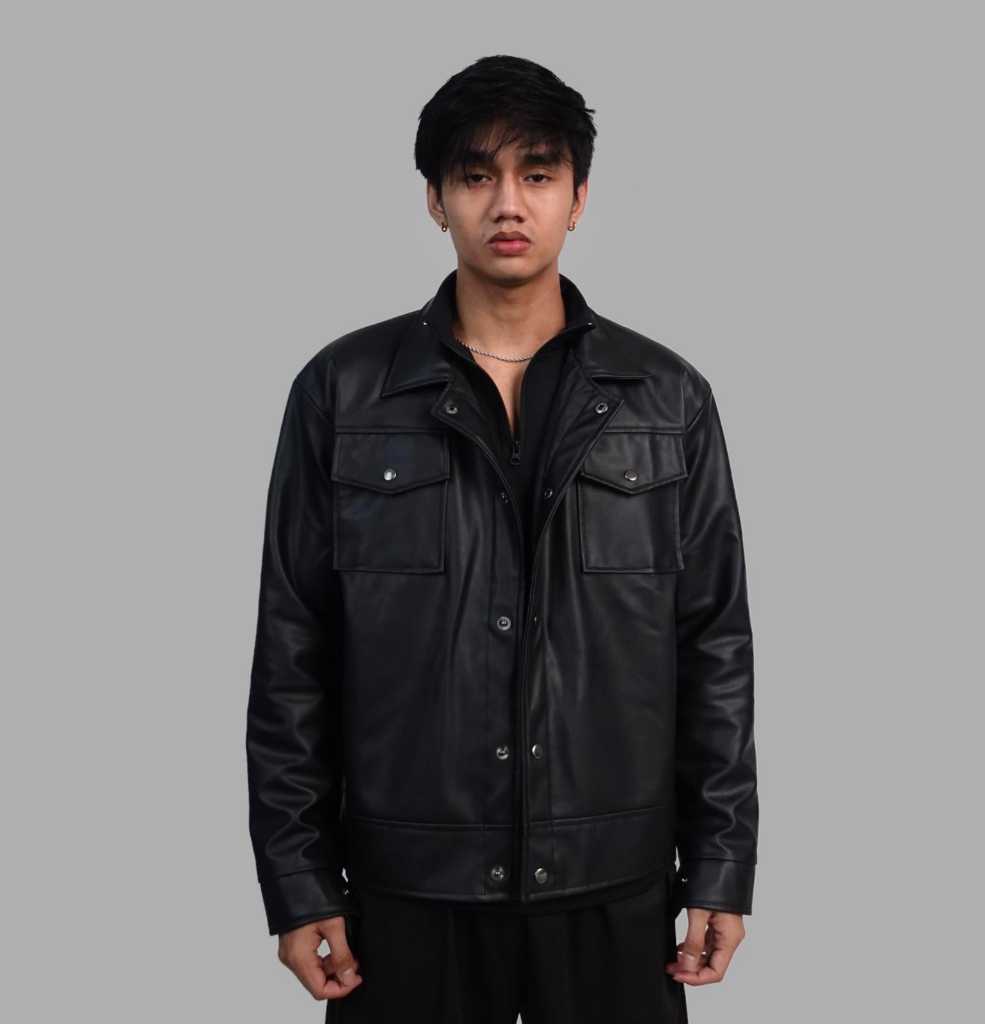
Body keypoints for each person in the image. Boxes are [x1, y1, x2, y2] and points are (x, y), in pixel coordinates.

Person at [246, 54, 758, 1023]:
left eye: (538, 173)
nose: (508, 202)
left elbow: (713, 647)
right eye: (476, 175)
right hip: (408, 889)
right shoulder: (343, 394)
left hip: (613, 886)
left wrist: (721, 865)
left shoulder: (666, 400)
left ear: (579, 197)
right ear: (436, 201)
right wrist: (299, 880)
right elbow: (292, 652)